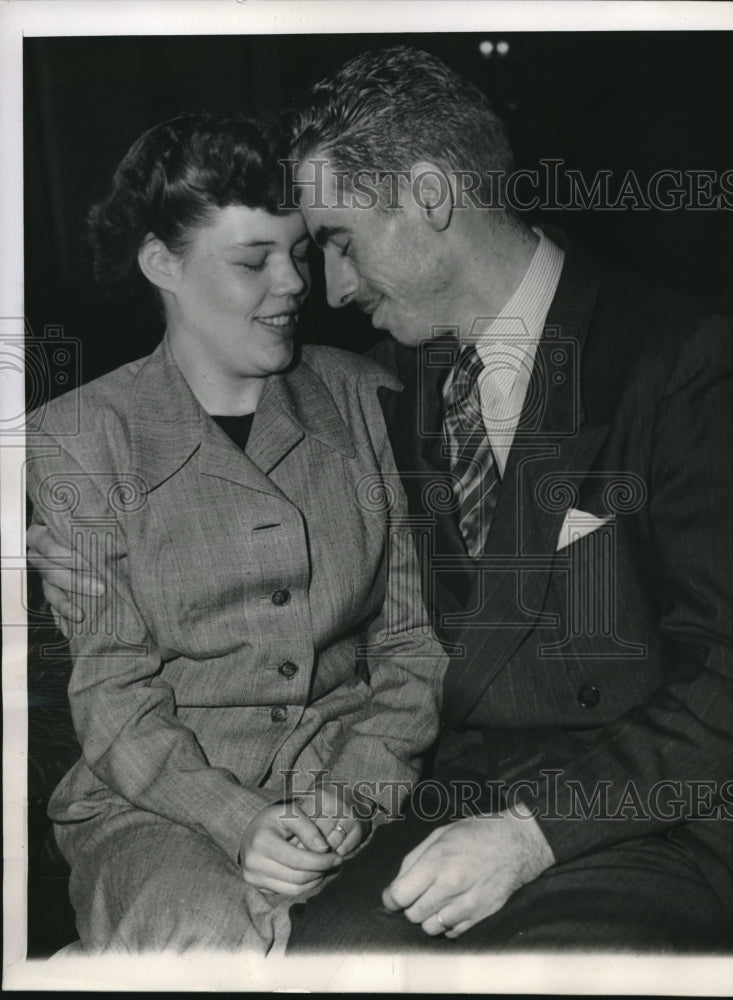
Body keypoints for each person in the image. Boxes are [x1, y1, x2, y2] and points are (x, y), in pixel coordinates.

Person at [33, 48, 733, 953]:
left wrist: (526, 833)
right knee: (311, 948)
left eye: (330, 241)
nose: (320, 290)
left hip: (635, 820)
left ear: (426, 197)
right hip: (450, 805)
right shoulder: (409, 377)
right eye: (280, 256)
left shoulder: (684, 361)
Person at [24, 109, 447, 954]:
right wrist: (238, 818)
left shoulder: (366, 400)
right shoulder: (75, 438)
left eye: (296, 253)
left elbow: (412, 645)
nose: (293, 284)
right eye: (252, 261)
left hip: (342, 784)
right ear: (160, 264)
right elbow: (111, 697)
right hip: (154, 807)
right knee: (202, 943)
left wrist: (356, 791)